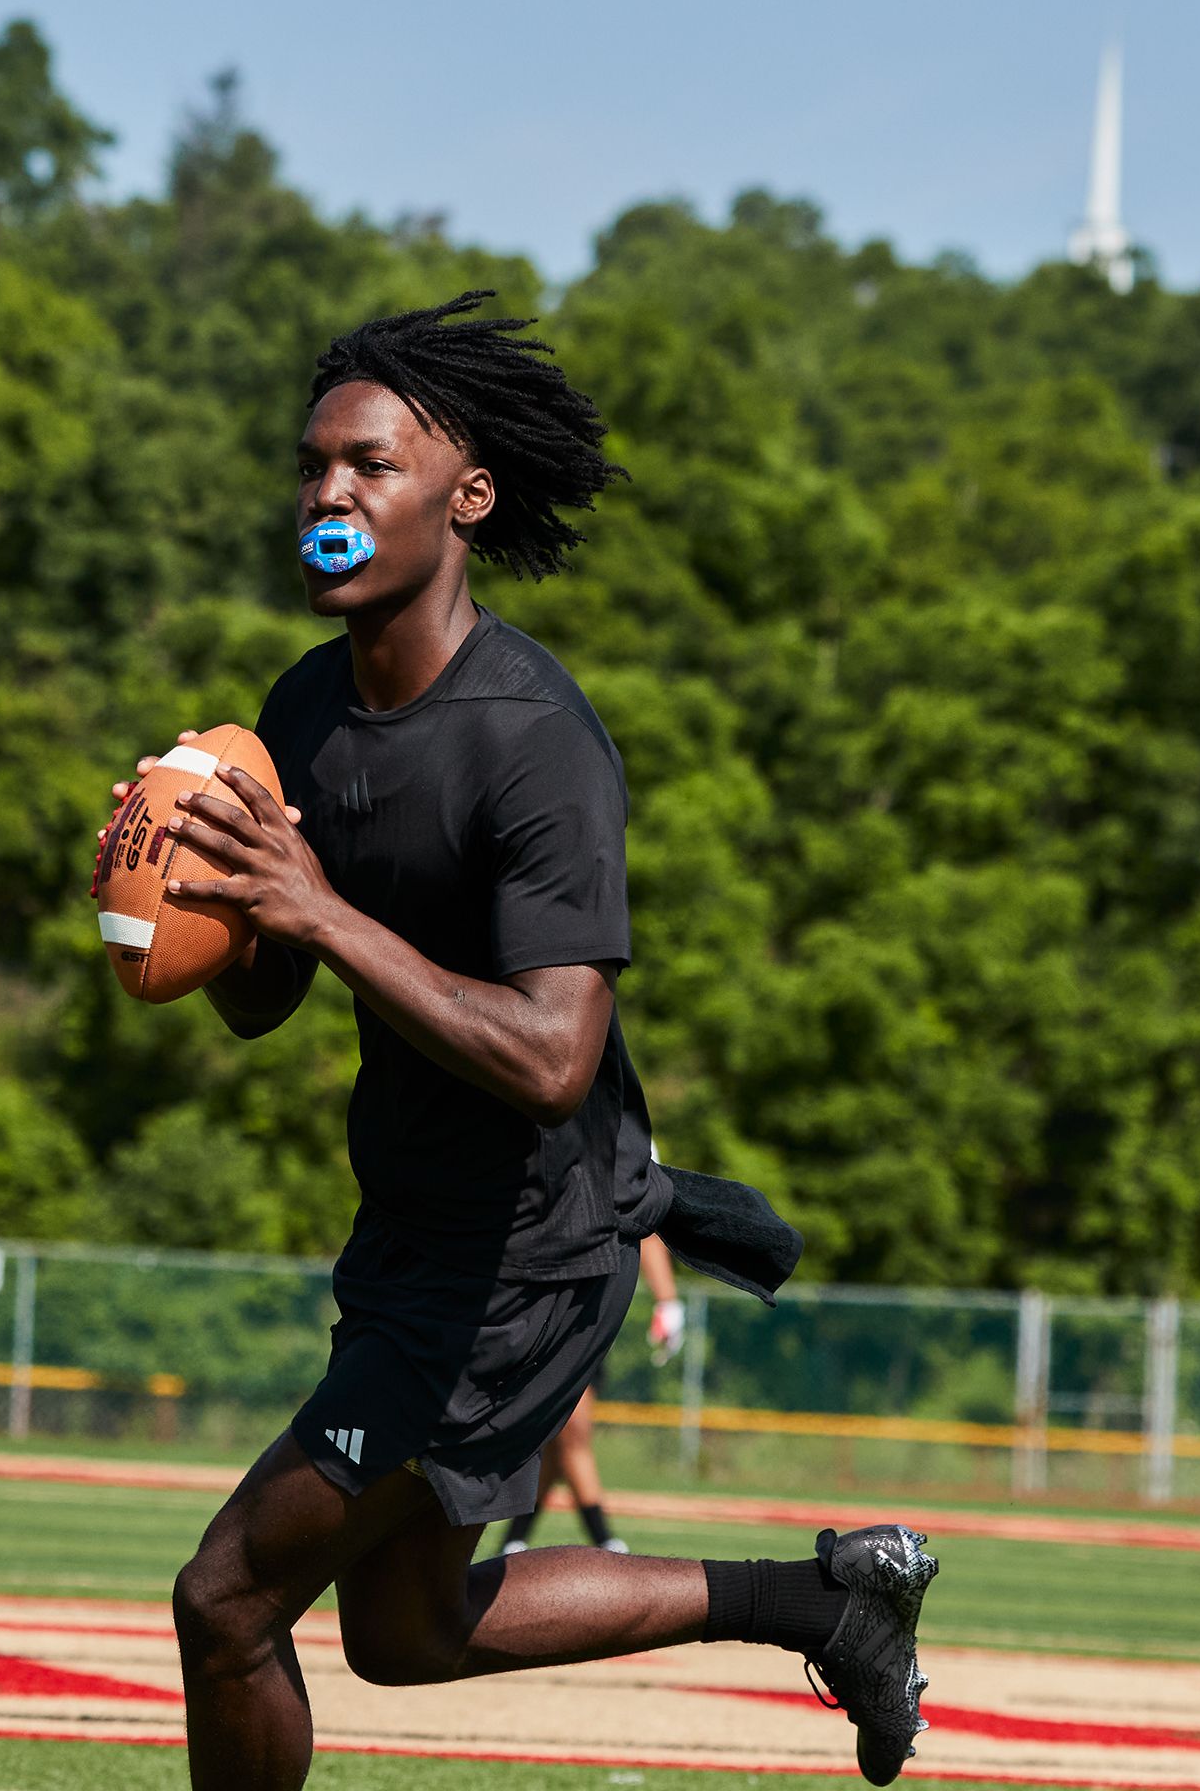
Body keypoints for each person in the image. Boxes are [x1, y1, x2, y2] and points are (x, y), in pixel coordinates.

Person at [104, 293, 937, 1791]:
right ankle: (824, 1601)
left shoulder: (535, 741)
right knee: (409, 1632)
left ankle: (825, 1604)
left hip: (524, 1254)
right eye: (313, 468)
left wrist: (323, 910)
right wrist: (201, 906)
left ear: (465, 497)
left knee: (225, 1601)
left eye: (369, 466)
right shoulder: (302, 708)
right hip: (420, 1229)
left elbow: (556, 1057)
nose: (327, 498)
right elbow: (268, 997)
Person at [497, 1232, 684, 1557]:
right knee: (568, 1437)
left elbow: (648, 1226)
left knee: (563, 1441)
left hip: (583, 1323)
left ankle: (515, 1541)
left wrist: (667, 1301)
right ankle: (606, 1544)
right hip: (536, 1315)